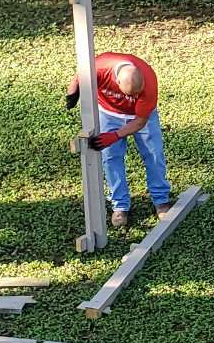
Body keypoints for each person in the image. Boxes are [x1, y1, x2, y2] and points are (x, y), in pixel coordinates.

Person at [66, 51, 174, 229]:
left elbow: (140, 122)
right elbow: (79, 76)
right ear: (117, 82)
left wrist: (115, 135)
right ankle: (120, 205)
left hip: (140, 118)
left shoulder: (149, 80)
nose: (133, 98)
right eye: (130, 94)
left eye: (136, 94)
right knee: (110, 159)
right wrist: (73, 91)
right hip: (108, 113)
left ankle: (161, 200)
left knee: (154, 154)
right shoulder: (100, 67)